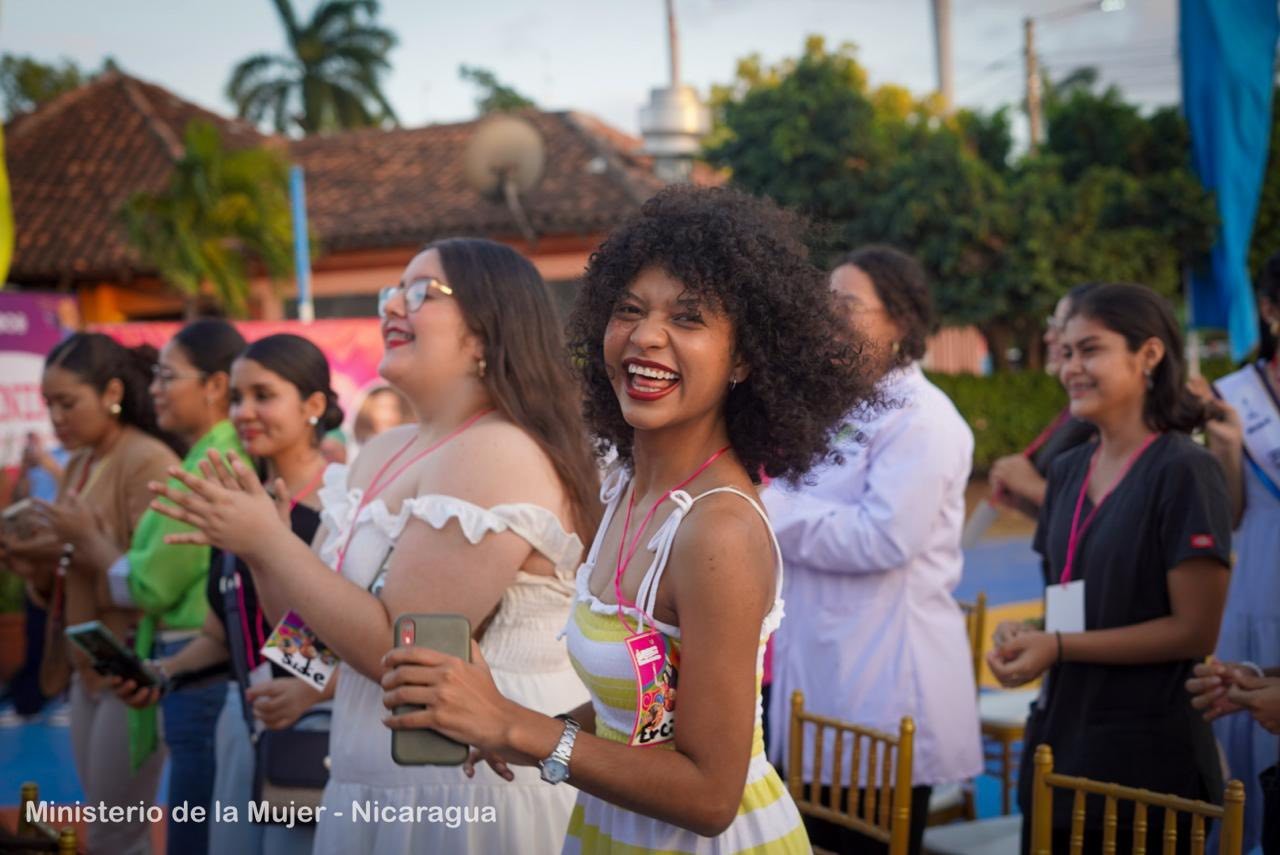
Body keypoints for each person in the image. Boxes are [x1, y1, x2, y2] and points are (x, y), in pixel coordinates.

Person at [376, 185, 877, 853]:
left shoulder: (716, 529)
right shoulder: (624, 491)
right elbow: (639, 715)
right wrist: (516, 725)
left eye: (689, 318)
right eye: (629, 310)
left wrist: (520, 729)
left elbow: (709, 796)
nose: (646, 336)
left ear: (748, 357)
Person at [147, 238, 601, 853]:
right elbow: (307, 636)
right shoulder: (386, 451)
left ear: (485, 330)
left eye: (420, 294)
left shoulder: (497, 449)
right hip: (369, 775)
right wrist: (261, 551)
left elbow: (404, 647)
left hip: (467, 793)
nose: (392, 308)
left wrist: (271, 544)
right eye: (393, 292)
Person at [987, 284, 1232, 854]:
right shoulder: (1070, 469)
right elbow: (1074, 597)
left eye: (1090, 350)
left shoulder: (1185, 472)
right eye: (1066, 353)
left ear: (1148, 355)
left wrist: (1062, 646)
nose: (1071, 367)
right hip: (1059, 748)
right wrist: (1030, 635)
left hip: (1145, 767)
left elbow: (1195, 630)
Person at [764, 245, 981, 855]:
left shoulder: (924, 420)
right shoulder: (843, 408)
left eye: (847, 306)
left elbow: (883, 537)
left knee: (861, 840)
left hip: (881, 684)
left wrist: (769, 509)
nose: (828, 318)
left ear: (900, 322)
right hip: (824, 669)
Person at [111, 334, 342, 855]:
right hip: (244, 725)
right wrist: (161, 673)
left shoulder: (344, 509)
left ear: (313, 405)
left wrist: (313, 686)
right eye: (237, 398)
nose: (244, 412)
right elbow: (223, 633)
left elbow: (352, 631)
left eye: (263, 396)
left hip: (317, 730)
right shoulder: (241, 505)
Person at [63, 319, 246, 855]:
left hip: (197, 666)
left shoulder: (213, 460)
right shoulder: (203, 456)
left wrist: (92, 547)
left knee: (179, 836)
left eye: (167, 376)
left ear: (213, 386)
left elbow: (151, 586)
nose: (155, 388)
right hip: (188, 660)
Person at [8, 333, 180, 854]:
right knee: (104, 821)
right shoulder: (81, 463)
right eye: (49, 405)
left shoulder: (148, 461)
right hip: (86, 666)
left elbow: (156, 583)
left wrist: (82, 540)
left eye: (67, 402)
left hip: (129, 664)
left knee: (114, 829)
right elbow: (68, 574)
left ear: (110, 392)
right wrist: (33, 564)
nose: (56, 417)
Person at [1186, 251, 1280, 852]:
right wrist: (1225, 448)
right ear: (1270, 311)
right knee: (1248, 731)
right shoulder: (1233, 397)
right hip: (1259, 576)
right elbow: (1233, 512)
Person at [988, 283, 1099, 517]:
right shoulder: (1078, 412)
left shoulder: (1120, 430)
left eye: (1059, 327)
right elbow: (1066, 528)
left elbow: (1106, 522)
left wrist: (1034, 488)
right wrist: (1025, 498)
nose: (1049, 337)